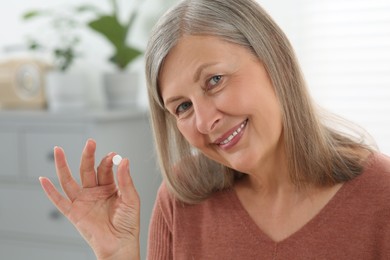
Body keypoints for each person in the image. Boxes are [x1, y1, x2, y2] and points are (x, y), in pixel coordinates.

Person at [39, 0, 390, 259]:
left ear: (275, 60)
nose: (205, 122)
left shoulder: (382, 196)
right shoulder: (180, 202)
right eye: (183, 107)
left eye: (215, 81)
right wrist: (117, 255)